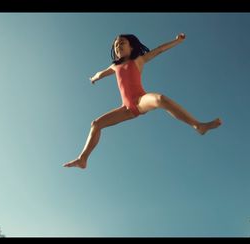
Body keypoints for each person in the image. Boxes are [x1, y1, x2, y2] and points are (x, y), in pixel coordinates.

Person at [64, 33, 222, 169]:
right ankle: (83, 159)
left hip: (140, 100)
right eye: (116, 45)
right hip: (126, 109)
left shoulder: (138, 60)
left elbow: (159, 50)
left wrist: (177, 41)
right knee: (96, 124)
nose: (118, 46)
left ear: (131, 47)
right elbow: (101, 73)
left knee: (159, 99)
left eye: (122, 43)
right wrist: (93, 78)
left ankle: (198, 125)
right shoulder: (114, 67)